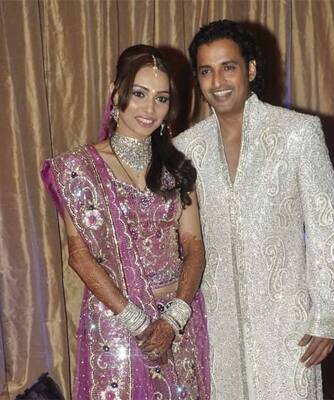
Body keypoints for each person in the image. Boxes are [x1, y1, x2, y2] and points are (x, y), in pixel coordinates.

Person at [173, 20, 334, 399]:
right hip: (216, 327)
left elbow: (325, 228)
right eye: (206, 70)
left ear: (250, 69)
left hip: (288, 323)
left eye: (228, 66)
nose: (217, 81)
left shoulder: (298, 133)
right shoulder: (186, 150)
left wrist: (326, 315)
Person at [41, 45, 210, 399]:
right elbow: (79, 255)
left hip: (177, 319)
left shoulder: (177, 169)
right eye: (139, 94)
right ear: (116, 93)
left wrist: (175, 316)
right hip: (116, 323)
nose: (150, 109)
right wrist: (134, 319)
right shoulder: (80, 169)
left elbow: (193, 246)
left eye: (161, 98)